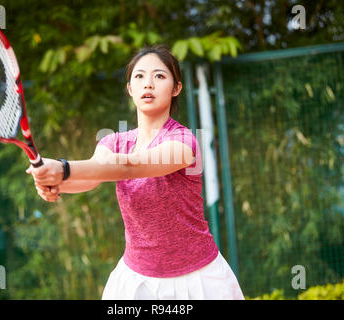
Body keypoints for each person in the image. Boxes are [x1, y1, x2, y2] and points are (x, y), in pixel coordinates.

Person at [26, 45, 245, 300]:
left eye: (160, 76)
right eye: (139, 76)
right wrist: (56, 183)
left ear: (176, 88)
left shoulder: (185, 141)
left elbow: (129, 166)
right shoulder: (113, 142)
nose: (148, 83)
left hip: (199, 278)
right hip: (136, 280)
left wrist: (63, 168)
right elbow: (93, 174)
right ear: (130, 88)